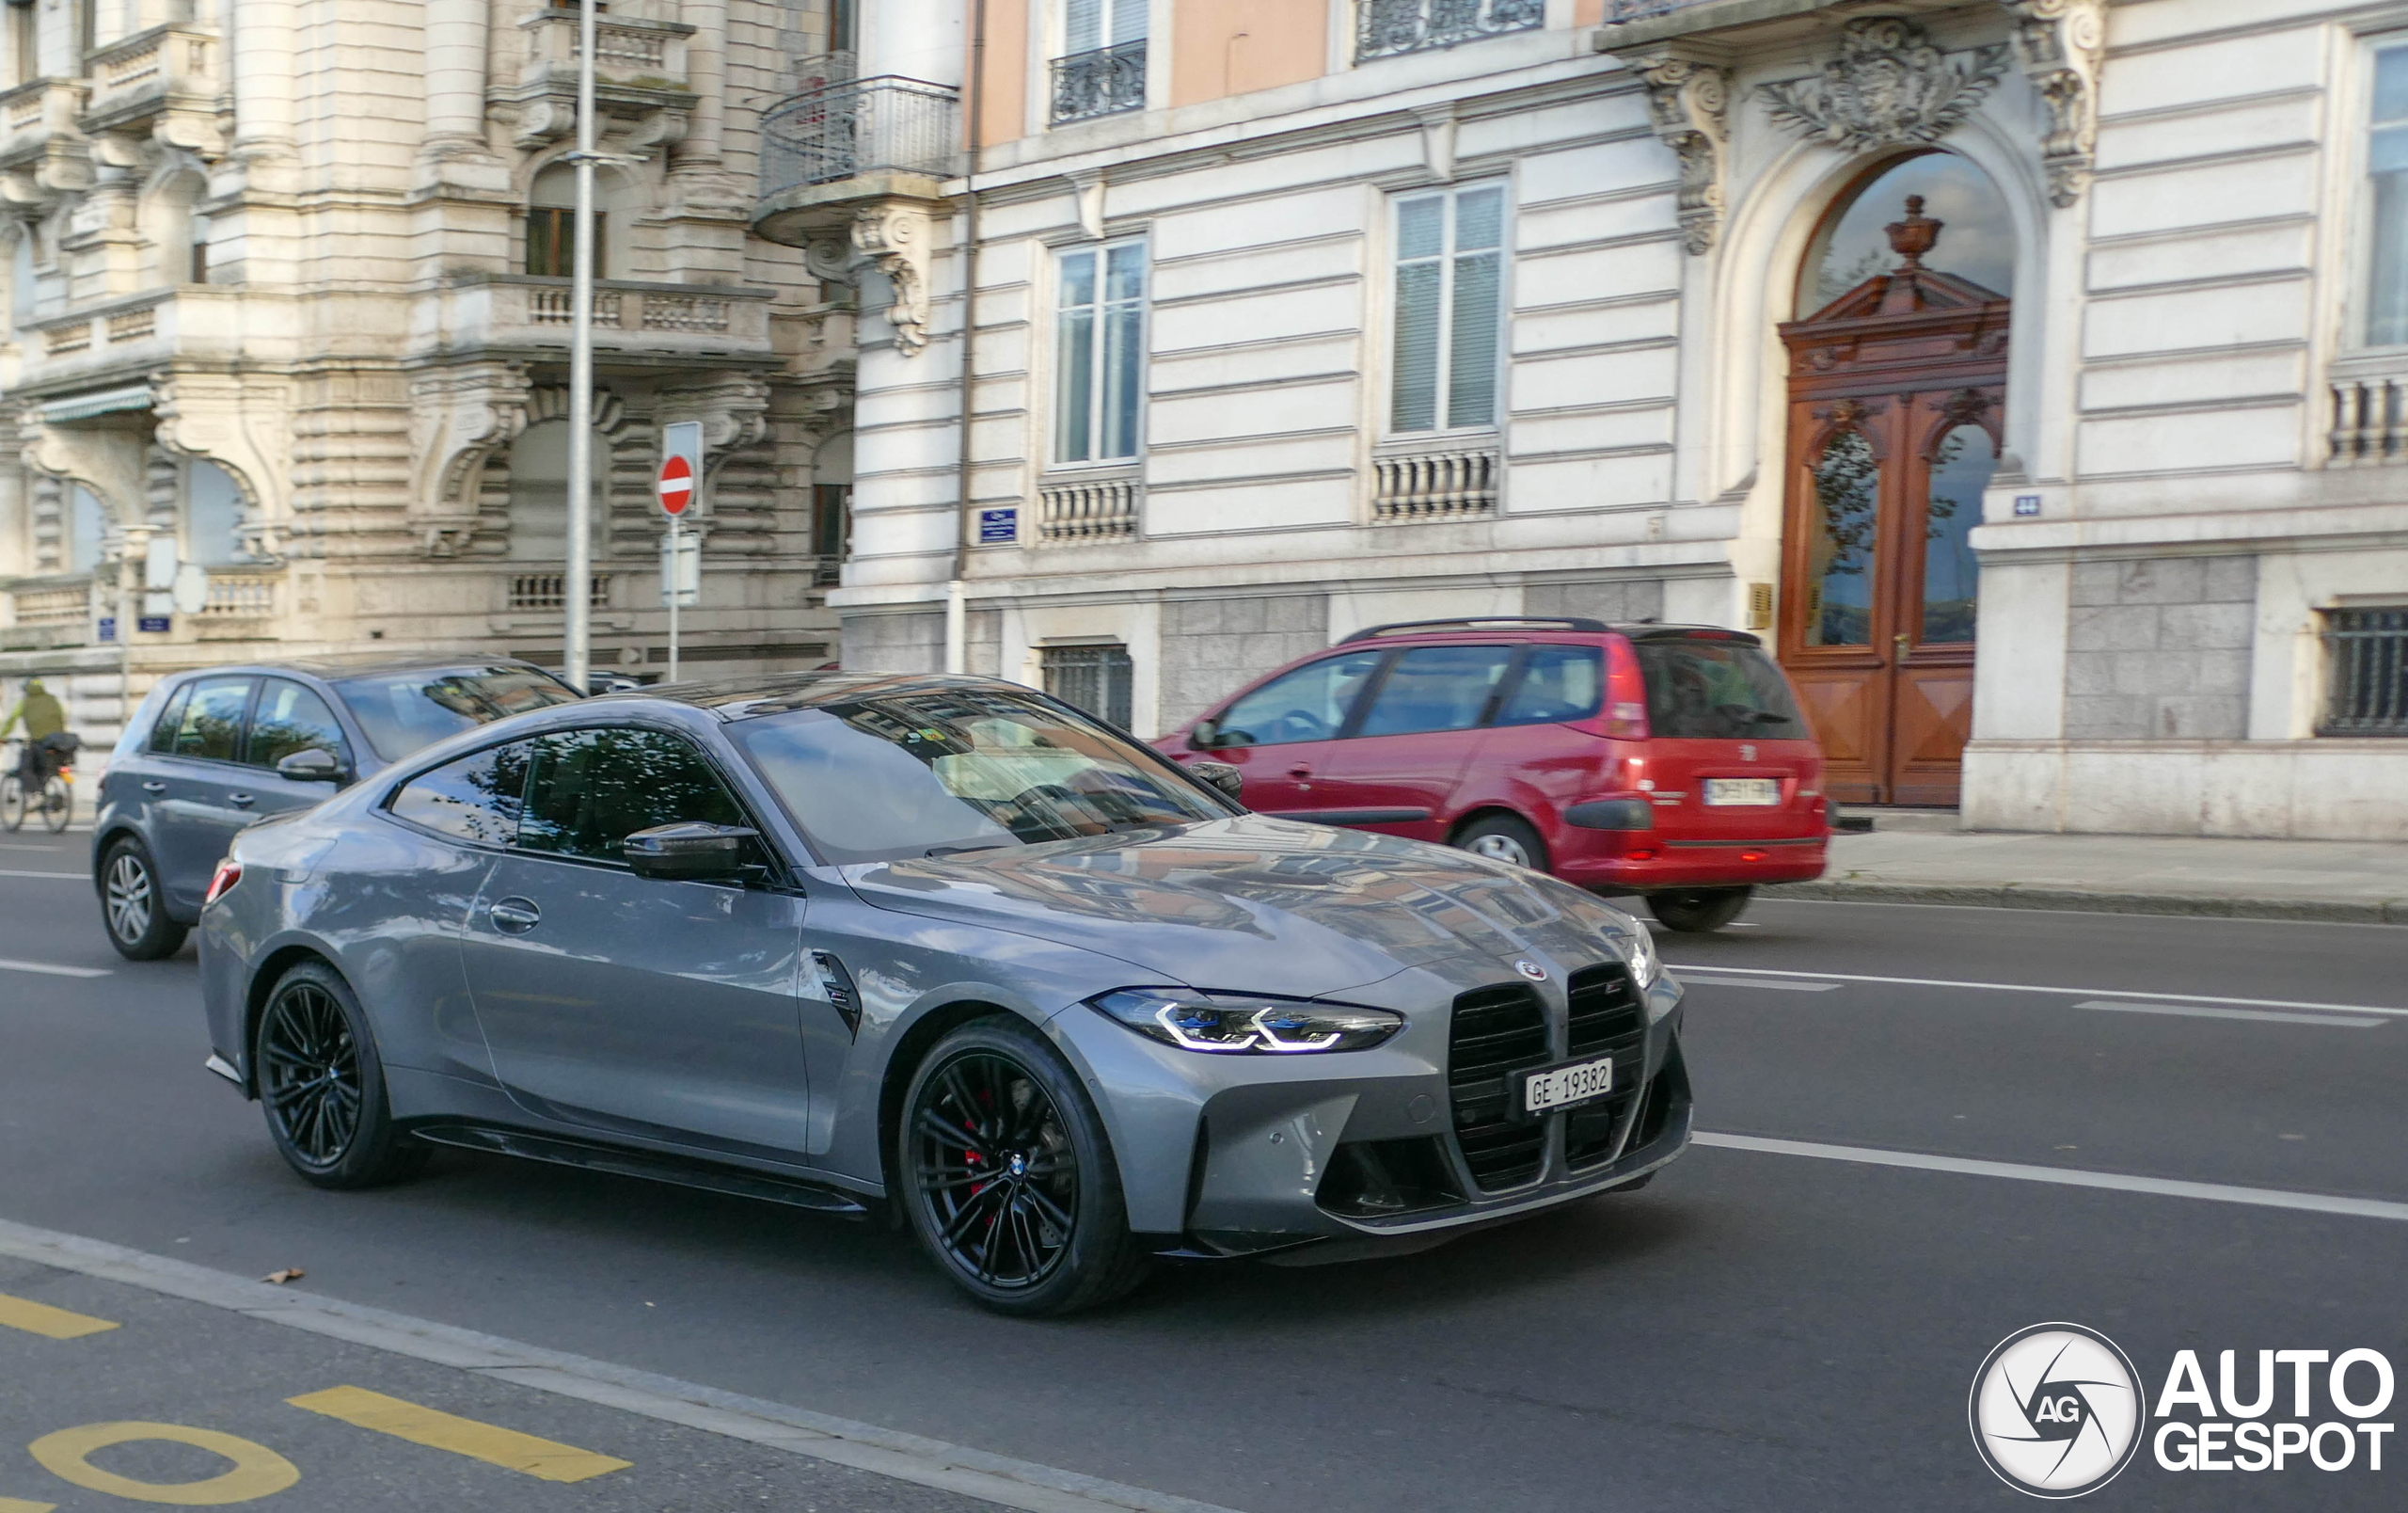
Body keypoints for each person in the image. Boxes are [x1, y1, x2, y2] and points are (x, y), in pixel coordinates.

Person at [1, 677, 67, 786]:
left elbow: (11, 721)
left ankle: (33, 794)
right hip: (57, 743)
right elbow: (61, 718)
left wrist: (2, 736)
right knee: (49, 768)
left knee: (25, 768)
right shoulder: (53, 700)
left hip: (38, 742)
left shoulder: (24, 703)